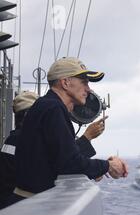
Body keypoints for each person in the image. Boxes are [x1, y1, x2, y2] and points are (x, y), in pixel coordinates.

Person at [9, 57, 128, 205]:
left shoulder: (46, 105)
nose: (88, 89)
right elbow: (70, 164)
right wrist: (108, 166)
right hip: (33, 204)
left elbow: (55, 160)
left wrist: (97, 169)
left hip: (26, 202)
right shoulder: (54, 109)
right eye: (84, 82)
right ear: (65, 83)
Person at [0, 91, 109, 209]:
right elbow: (60, 165)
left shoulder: (13, 139)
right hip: (18, 210)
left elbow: (53, 161)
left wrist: (92, 170)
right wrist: (87, 138)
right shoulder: (23, 141)